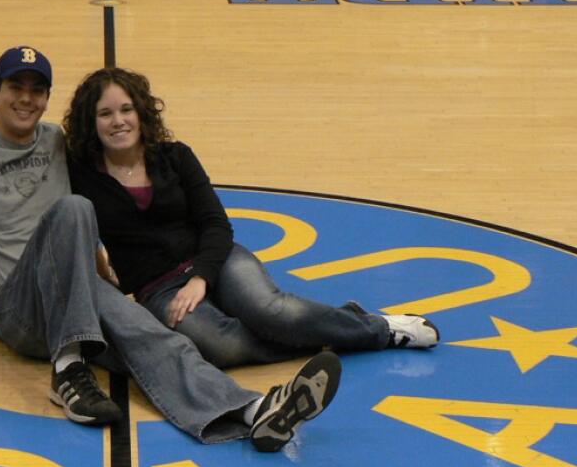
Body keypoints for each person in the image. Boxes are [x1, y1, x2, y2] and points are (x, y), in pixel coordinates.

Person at [0, 46, 341, 452]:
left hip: (79, 292)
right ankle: (67, 370)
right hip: (17, 308)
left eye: (36, 90)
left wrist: (101, 269)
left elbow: (112, 184)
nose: (25, 99)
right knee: (73, 209)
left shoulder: (56, 142)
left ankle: (252, 412)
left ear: (46, 99)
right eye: (14, 88)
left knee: (160, 338)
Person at [62, 67, 440, 370]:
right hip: (158, 290)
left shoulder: (175, 157)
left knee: (271, 311)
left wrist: (200, 279)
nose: (118, 121)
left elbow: (216, 224)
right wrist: (105, 276)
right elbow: (78, 228)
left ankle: (379, 329)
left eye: (126, 109)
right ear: (90, 123)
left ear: (142, 113)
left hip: (214, 259)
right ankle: (338, 328)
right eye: (105, 113)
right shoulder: (82, 175)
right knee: (224, 347)